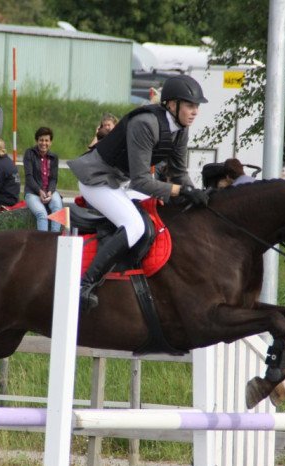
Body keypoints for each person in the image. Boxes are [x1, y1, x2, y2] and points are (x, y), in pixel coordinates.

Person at [69, 74, 210, 312]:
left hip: (120, 182)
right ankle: (86, 284)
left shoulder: (180, 129)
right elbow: (142, 181)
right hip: (97, 180)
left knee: (160, 212)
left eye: (196, 106)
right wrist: (180, 191)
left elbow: (179, 173)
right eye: (190, 105)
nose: (195, 111)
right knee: (136, 226)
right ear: (172, 105)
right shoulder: (145, 123)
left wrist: (196, 194)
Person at [23, 127, 63, 232]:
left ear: (50, 142)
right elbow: (29, 177)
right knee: (42, 214)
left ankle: (54, 241)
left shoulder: (54, 157)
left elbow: (54, 179)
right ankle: (43, 244)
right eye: (41, 140)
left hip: (49, 190)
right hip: (33, 192)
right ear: (37, 141)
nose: (43, 143)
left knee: (57, 209)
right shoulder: (29, 153)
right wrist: (39, 191)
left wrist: (50, 191)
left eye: (46, 140)